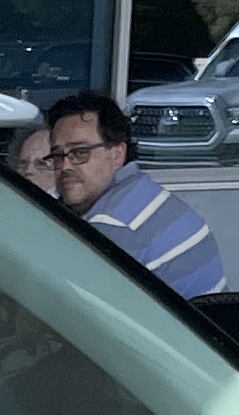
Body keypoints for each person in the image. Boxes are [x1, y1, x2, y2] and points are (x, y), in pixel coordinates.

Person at [38, 88, 223, 296]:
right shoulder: (143, 191)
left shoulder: (111, 226)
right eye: (57, 156)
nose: (65, 166)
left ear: (118, 154)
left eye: (80, 152)